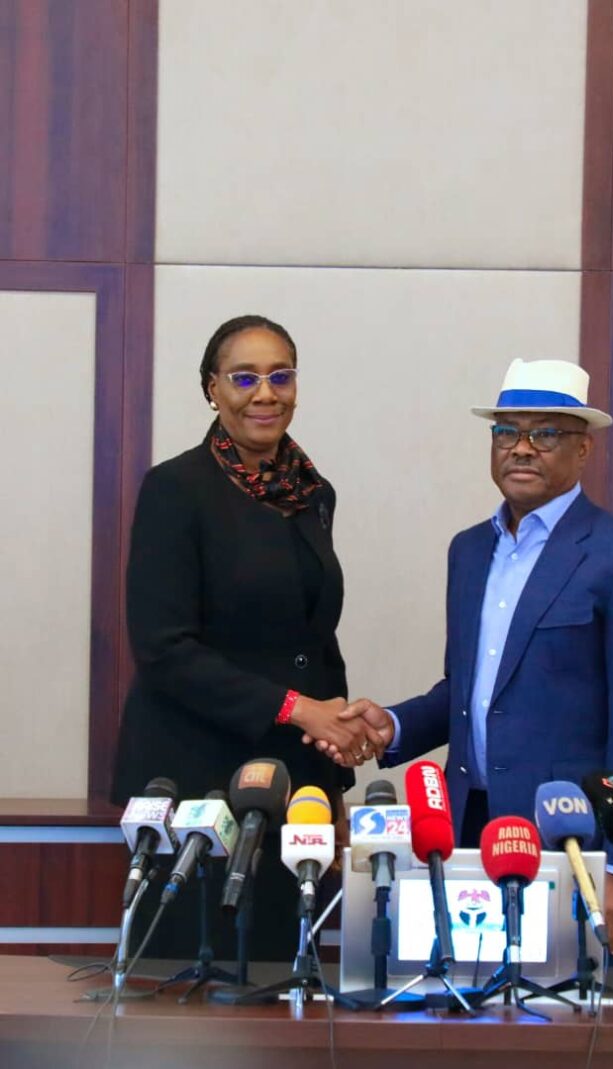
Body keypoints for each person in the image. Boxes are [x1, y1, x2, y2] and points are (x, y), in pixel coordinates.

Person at [310, 358, 613, 955]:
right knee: (456, 997)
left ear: (584, 449)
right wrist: (393, 725)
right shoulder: (470, 550)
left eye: (546, 434)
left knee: (556, 1004)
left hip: (567, 839)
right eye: (507, 432)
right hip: (464, 827)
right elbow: (469, 690)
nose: (522, 448)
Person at [111, 314, 383, 961]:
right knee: (188, 978)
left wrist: (333, 780)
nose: (265, 393)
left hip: (291, 782)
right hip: (193, 775)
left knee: (281, 977)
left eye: (280, 376)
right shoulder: (175, 489)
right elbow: (163, 650)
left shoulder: (313, 492)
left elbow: (316, 643)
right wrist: (297, 708)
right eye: (244, 378)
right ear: (212, 388)